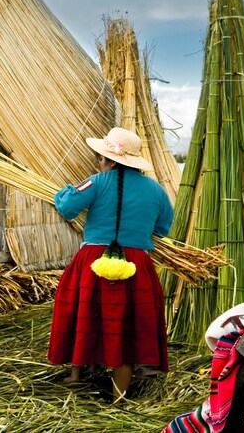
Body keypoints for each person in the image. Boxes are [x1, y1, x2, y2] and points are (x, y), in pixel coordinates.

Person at [47, 127, 174, 402]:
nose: (98, 162)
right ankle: (120, 396)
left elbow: (67, 207)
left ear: (110, 160)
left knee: (85, 313)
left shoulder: (96, 182)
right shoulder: (156, 190)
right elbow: (163, 229)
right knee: (127, 323)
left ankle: (76, 375)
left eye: (101, 157)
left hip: (93, 260)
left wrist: (65, 192)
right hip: (136, 263)